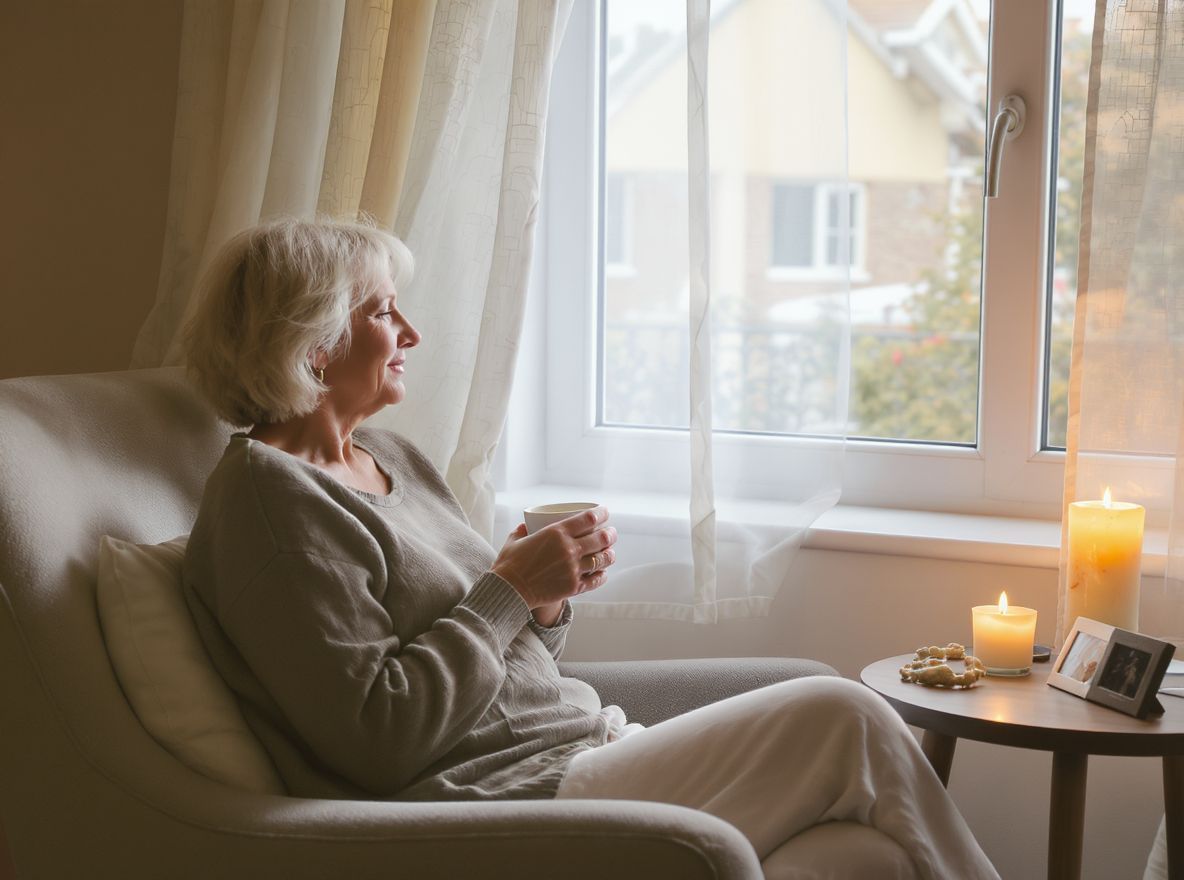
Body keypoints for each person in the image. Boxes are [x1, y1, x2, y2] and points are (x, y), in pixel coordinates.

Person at [181, 217, 999, 880]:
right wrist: (505, 589)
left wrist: (541, 602)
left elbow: (506, 661)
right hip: (497, 803)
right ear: (314, 342)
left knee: (867, 860)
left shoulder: (390, 457)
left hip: (584, 748)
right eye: (383, 311)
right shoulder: (269, 502)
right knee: (842, 714)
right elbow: (377, 736)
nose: (412, 332)